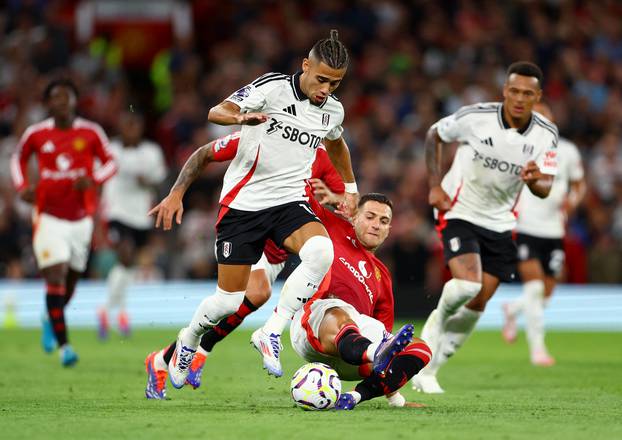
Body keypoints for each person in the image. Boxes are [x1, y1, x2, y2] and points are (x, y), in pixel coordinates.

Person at [148, 30, 358, 390]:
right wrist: (239, 119)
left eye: (335, 83)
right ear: (305, 66)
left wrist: (351, 188)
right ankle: (189, 340)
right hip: (243, 207)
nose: (326, 89)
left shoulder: (332, 110)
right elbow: (217, 111)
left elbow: (336, 142)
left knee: (322, 252)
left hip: (288, 204)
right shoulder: (271, 89)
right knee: (228, 303)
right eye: (321, 79)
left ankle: (271, 332)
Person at [144, 131, 345, 398]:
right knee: (253, 293)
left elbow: (341, 198)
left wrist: (334, 197)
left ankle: (162, 359)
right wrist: (177, 193)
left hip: (280, 249)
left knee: (241, 300)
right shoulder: (257, 137)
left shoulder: (317, 153)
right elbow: (204, 153)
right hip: (250, 232)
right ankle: (201, 349)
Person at [411, 61, 558, 394]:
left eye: (527, 93)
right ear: (505, 90)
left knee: (477, 303)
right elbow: (435, 133)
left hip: (501, 222)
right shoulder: (475, 117)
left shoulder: (547, 135)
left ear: (538, 96)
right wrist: (435, 185)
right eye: (514, 91)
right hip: (459, 209)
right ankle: (425, 355)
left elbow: (546, 186)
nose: (519, 98)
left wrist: (536, 182)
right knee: (466, 286)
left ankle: (435, 365)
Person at [289, 193, 432, 410]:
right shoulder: (332, 229)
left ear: (388, 231)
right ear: (354, 217)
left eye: (383, 221)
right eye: (370, 217)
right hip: (312, 328)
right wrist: (336, 191)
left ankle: (355, 397)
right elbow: (302, 193)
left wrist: (396, 399)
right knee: (337, 309)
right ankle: (372, 350)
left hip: (355, 355)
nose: (376, 225)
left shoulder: (383, 277)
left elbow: (386, 345)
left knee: (420, 349)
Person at [11, 78, 117, 366]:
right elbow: (18, 158)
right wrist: (23, 187)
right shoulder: (36, 134)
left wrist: (93, 179)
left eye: (66, 97)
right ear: (48, 103)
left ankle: (50, 316)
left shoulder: (91, 132)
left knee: (70, 281)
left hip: (81, 219)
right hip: (48, 217)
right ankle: (65, 347)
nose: (61, 102)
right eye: (55, 98)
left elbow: (111, 163)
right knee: (55, 274)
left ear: (74, 100)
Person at [502, 103, 586, 366]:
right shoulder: (518, 148)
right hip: (526, 227)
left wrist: (573, 201)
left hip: (554, 230)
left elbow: (579, 184)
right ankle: (538, 349)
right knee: (535, 287)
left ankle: (513, 309)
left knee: (545, 294)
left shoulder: (568, 151)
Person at [97, 109, 167, 340]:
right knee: (125, 255)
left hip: (141, 215)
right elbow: (99, 176)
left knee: (129, 266)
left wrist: (146, 181)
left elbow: (160, 180)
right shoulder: (111, 150)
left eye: (135, 126)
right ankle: (120, 313)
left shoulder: (151, 152)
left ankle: (109, 311)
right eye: (127, 125)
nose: (131, 130)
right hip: (117, 212)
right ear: (121, 127)